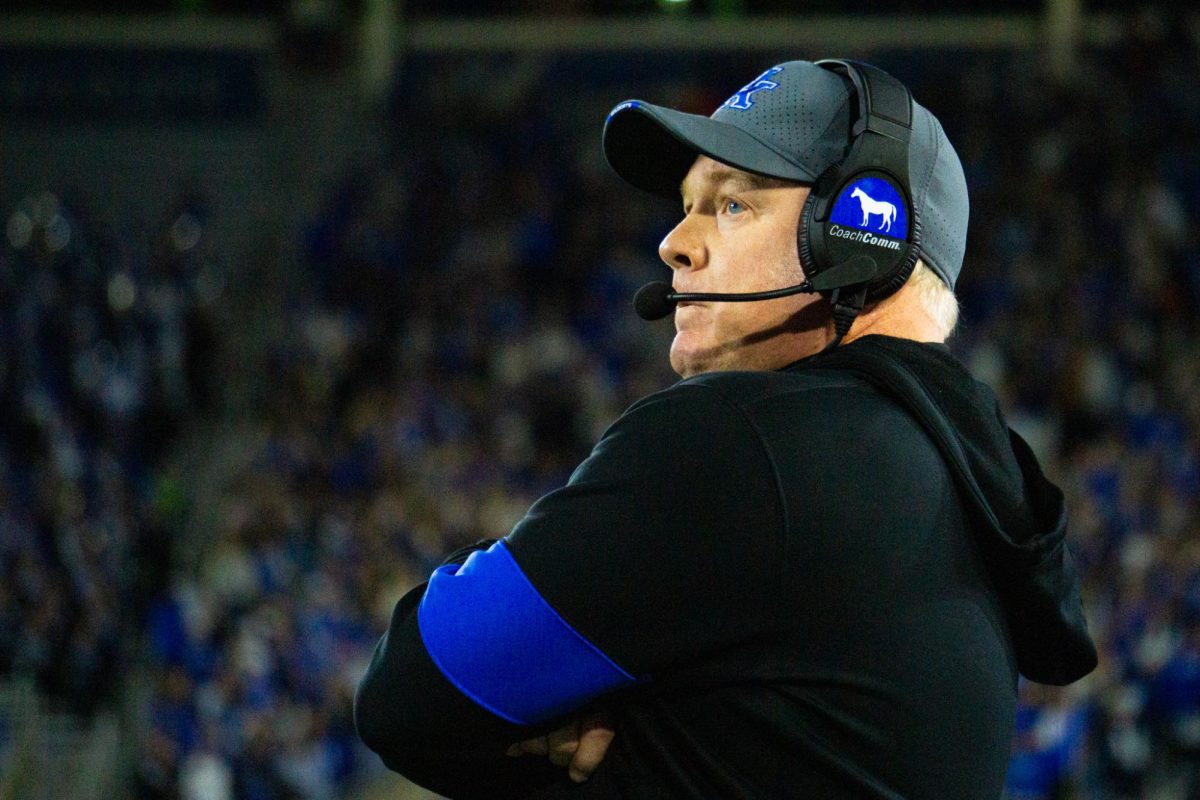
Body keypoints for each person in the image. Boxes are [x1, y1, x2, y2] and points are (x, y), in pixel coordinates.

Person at [354, 58, 1098, 799]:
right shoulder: (972, 493)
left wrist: (607, 739)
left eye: (731, 205)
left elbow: (407, 692)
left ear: (858, 231)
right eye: (686, 203)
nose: (674, 242)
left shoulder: (742, 441)